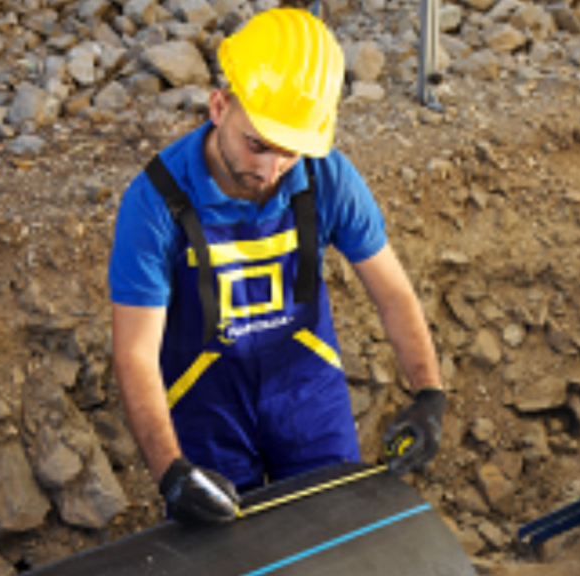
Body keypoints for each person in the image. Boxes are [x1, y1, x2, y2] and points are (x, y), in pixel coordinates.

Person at [108, 9, 447, 525]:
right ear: (219, 107)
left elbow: (393, 295)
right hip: (206, 411)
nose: (269, 171)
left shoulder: (327, 177)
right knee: (227, 556)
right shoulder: (154, 203)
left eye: (288, 153)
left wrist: (428, 394)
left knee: (336, 541)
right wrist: (171, 471)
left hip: (307, 396)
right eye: (257, 144)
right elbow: (134, 354)